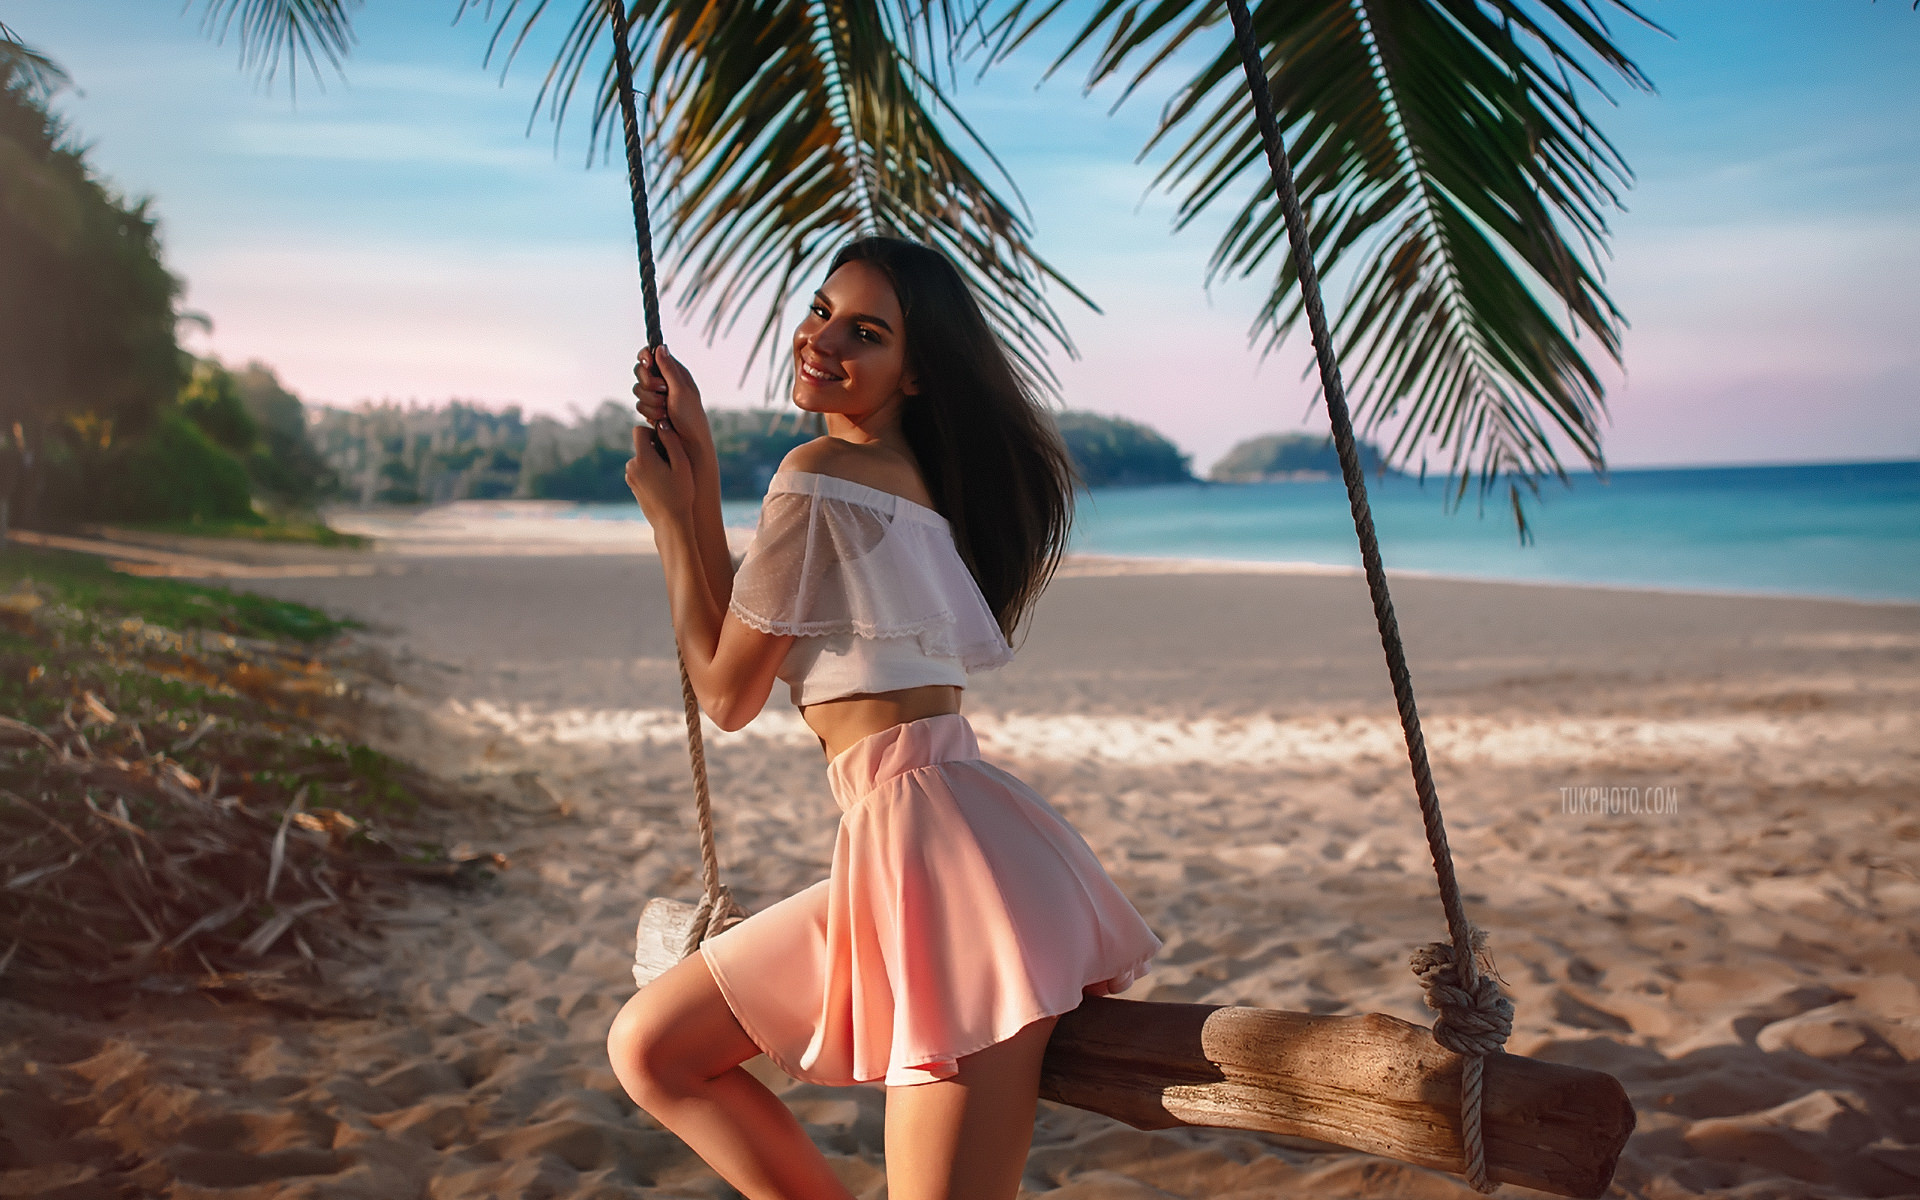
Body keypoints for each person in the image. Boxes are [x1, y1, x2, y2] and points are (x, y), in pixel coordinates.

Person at [607, 235, 1160, 1200]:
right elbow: (753, 611)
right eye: (821, 311)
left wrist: (666, 517)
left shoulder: (822, 472)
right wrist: (691, 457)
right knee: (655, 1047)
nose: (822, 341)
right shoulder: (892, 485)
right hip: (919, 840)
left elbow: (727, 691)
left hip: (933, 852)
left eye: (865, 333)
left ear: (915, 374)